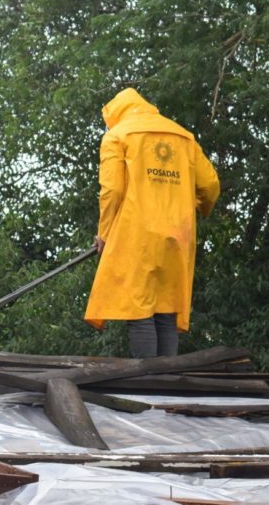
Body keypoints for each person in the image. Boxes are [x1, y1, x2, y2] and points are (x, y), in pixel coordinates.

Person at [84, 88, 220, 358]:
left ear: (114, 114)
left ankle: (147, 386)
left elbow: (112, 191)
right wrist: (192, 208)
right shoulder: (183, 136)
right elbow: (210, 185)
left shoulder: (118, 135)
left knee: (140, 312)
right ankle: (166, 388)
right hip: (178, 234)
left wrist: (105, 234)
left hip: (137, 233)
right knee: (166, 311)